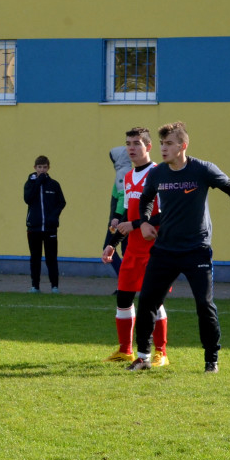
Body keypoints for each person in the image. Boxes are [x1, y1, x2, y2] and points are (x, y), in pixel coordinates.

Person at [126, 121, 230, 373]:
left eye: (169, 144)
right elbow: (146, 199)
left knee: (204, 304)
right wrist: (143, 223)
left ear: (182, 146)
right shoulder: (158, 173)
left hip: (196, 249)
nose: (163, 149)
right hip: (164, 250)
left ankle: (211, 360)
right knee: (147, 301)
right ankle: (143, 357)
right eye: (162, 144)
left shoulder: (202, 170)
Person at [101, 128, 168, 365]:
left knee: (153, 302)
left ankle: (161, 353)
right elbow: (126, 215)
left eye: (137, 143)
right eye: (128, 143)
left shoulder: (160, 173)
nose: (131, 148)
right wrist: (112, 244)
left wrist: (136, 225)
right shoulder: (128, 177)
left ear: (148, 147)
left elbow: (165, 214)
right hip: (132, 250)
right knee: (123, 300)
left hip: (155, 251)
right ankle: (124, 350)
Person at [23, 155, 66, 293]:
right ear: (35, 168)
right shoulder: (29, 183)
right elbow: (28, 199)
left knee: (51, 258)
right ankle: (35, 286)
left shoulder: (54, 184)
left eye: (44, 167)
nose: (42, 170)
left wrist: (54, 216)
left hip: (49, 228)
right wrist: (38, 182)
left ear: (48, 168)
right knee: (35, 258)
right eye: (39, 167)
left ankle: (55, 286)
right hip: (34, 227)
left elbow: (61, 202)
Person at [105, 144, 132, 277]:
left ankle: (124, 277)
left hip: (119, 218)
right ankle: (128, 279)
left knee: (109, 246)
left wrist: (116, 216)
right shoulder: (128, 170)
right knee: (125, 249)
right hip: (125, 217)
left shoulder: (122, 172)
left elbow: (123, 196)